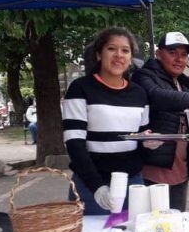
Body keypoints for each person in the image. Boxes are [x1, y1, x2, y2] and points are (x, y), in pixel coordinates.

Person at [62, 27, 154, 215]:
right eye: (112, 49)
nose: (119, 55)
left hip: (132, 183)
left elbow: (140, 137)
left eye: (125, 50)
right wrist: (97, 186)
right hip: (91, 185)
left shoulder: (139, 93)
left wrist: (148, 142)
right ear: (98, 54)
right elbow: (74, 144)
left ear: (130, 58)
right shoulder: (80, 88)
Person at [131, 32, 189, 212]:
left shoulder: (184, 82)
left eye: (184, 55)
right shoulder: (143, 76)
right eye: (172, 52)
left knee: (177, 223)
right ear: (158, 53)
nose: (179, 59)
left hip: (181, 167)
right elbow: (157, 96)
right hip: (155, 167)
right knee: (153, 223)